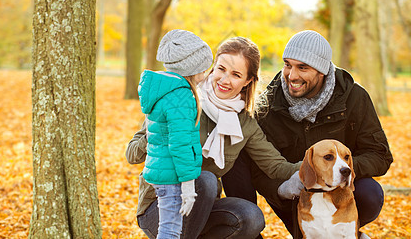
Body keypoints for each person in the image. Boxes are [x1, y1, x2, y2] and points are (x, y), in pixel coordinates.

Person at [221, 30, 393, 239]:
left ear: (322, 71)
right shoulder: (269, 104)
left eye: (302, 67)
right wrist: (284, 188)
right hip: (292, 196)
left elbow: (380, 155)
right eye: (287, 64)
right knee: (237, 147)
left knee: (370, 193)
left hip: (342, 193)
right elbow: (259, 167)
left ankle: (347, 230)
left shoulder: (354, 97)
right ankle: (248, 232)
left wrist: (338, 171)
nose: (292, 76)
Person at [127, 36, 301, 239]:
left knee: (251, 217)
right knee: (205, 180)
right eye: (221, 69)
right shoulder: (180, 100)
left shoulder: (244, 124)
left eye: (236, 74)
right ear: (212, 67)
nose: (224, 80)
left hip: (202, 212)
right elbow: (132, 155)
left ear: (248, 81)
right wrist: (158, 129)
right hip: (160, 207)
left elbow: (276, 166)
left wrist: (317, 167)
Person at [138, 29, 213, 238]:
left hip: (160, 171)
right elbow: (180, 143)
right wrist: (188, 186)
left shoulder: (164, 90)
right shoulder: (181, 96)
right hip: (171, 176)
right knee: (170, 231)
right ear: (192, 67)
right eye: (204, 67)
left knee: (170, 228)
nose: (206, 73)